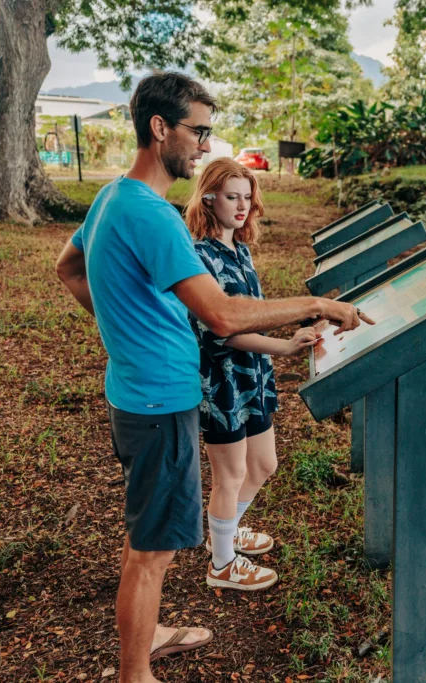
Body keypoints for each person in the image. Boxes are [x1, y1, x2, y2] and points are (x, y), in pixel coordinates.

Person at [55, 72, 371, 683]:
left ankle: (147, 639)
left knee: (151, 539)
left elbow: (69, 268)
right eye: (197, 130)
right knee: (151, 552)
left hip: (135, 390)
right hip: (161, 400)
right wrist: (318, 306)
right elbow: (223, 313)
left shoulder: (111, 198)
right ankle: (134, 674)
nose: (204, 143)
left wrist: (130, 327)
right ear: (159, 128)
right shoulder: (154, 216)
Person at [183, 158, 318, 591]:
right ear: (208, 198)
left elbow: (251, 313)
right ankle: (222, 565)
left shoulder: (238, 248)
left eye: (246, 197)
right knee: (231, 474)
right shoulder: (200, 255)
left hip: (252, 376)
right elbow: (226, 330)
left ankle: (225, 531)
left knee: (263, 464)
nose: (242, 206)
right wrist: (286, 345)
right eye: (231, 197)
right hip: (222, 379)